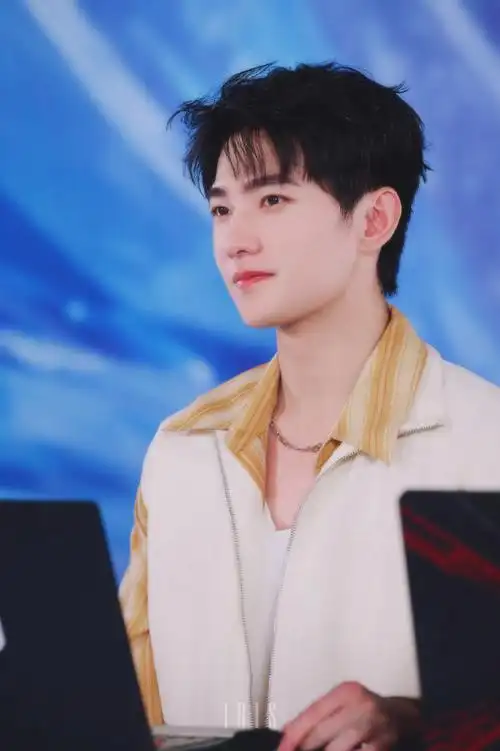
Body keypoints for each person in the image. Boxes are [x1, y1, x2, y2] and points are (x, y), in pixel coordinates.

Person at [119, 62, 500, 751]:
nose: (235, 239)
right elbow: (122, 709)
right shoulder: (181, 450)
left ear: (374, 219)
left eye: (272, 200)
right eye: (221, 208)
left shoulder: (485, 440)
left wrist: (420, 722)